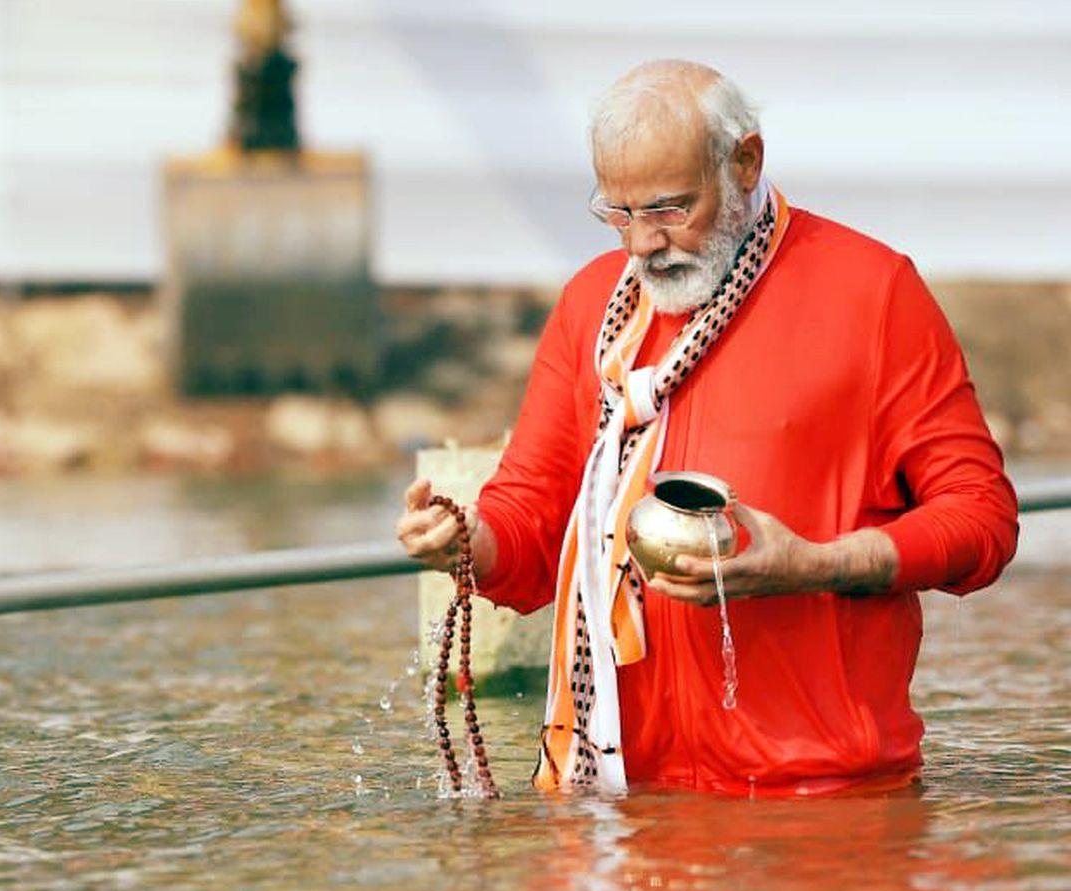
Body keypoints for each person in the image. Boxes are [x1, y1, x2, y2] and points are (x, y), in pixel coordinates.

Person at [396, 60, 1018, 796]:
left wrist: (817, 565)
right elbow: (534, 515)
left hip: (820, 798)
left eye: (667, 208)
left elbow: (983, 520)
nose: (640, 245)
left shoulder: (873, 292)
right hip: (617, 793)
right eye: (617, 213)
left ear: (746, 161)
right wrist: (467, 537)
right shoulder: (590, 306)